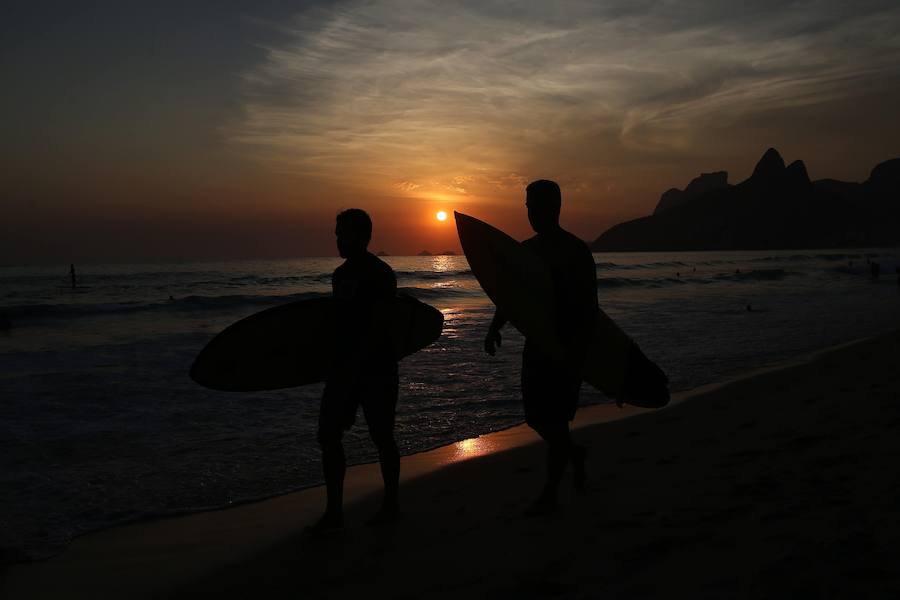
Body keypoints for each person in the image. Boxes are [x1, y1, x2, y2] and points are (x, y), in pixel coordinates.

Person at [484, 180, 597, 516]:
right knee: (536, 417)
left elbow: (589, 306)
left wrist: (580, 352)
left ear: (555, 207)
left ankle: (550, 494)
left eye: (537, 206)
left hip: (567, 348)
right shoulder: (526, 251)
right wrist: (493, 327)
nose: (531, 212)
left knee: (557, 419)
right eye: (528, 206)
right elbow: (510, 296)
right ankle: (574, 454)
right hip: (537, 346)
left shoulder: (576, 251)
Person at [308, 208, 400, 535]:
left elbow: (381, 324)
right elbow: (338, 324)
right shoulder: (339, 275)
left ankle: (391, 505)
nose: (337, 239)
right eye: (336, 233)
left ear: (363, 236)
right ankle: (334, 512)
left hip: (377, 367)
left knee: (382, 436)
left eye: (343, 233)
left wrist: (359, 359)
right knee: (328, 435)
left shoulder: (381, 274)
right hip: (344, 368)